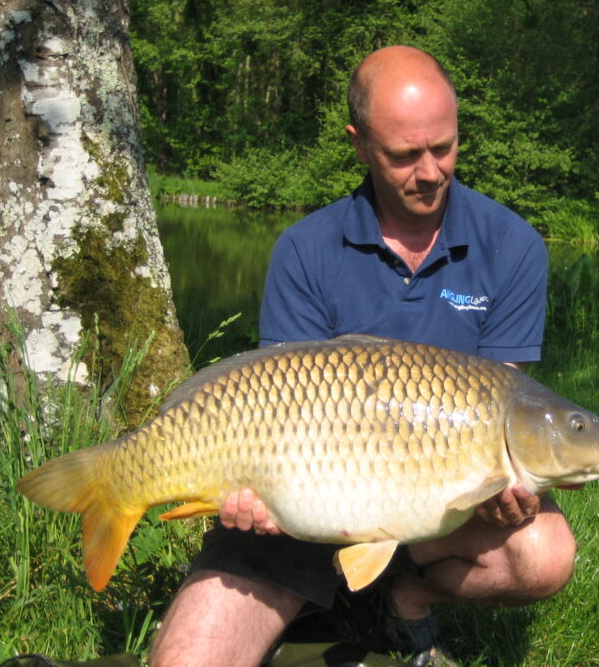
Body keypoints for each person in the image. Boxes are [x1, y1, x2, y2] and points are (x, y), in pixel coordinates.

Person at [149, 46, 577, 667]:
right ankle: (323, 596)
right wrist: (252, 496)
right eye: (404, 155)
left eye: (445, 147)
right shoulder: (305, 249)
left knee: (545, 555)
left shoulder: (511, 247)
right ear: (358, 144)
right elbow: (269, 407)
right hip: (306, 508)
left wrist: (507, 487)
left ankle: (404, 596)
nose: (430, 171)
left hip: (442, 514)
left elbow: (505, 409)